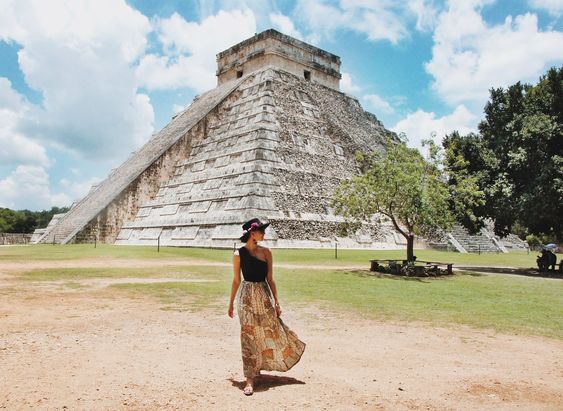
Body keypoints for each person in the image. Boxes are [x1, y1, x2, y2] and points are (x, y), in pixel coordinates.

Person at [228, 218, 305, 396]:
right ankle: (249, 378)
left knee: (271, 329)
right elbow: (236, 281)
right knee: (248, 336)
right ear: (252, 233)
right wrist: (231, 302)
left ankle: (261, 364)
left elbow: (270, 279)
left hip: (263, 297)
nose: (264, 234)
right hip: (246, 298)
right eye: (261, 231)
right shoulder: (238, 254)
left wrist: (277, 302)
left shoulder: (267, 252)